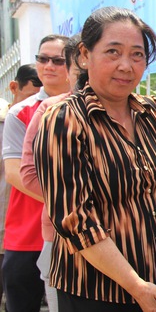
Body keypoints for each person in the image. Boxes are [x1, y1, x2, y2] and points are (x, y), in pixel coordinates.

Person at [34, 7, 156, 312]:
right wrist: (134, 285)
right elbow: (76, 221)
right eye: (113, 52)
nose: (126, 66)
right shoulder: (64, 121)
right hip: (92, 291)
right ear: (84, 55)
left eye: (137, 55)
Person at [2, 35, 70, 312]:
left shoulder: (91, 109)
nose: (48, 66)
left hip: (73, 231)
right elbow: (14, 173)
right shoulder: (20, 112)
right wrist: (67, 202)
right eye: (42, 59)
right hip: (28, 232)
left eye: (57, 60)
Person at [20, 34, 81, 312]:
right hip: (61, 237)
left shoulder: (137, 111)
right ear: (71, 72)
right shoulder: (50, 110)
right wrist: (78, 202)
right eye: (80, 69)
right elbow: (29, 174)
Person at [0, 64, 42, 309]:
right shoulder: (15, 117)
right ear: (13, 88)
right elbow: (14, 175)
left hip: (41, 230)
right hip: (16, 230)